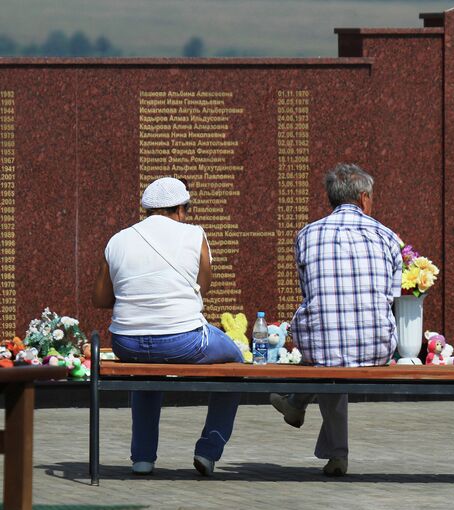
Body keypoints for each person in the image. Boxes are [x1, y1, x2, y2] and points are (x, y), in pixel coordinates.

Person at [92, 177, 243, 477]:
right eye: (186, 209)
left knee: (148, 368)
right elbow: (204, 286)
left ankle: (143, 458)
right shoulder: (194, 234)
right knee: (235, 362)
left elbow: (100, 298)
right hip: (183, 338)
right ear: (179, 209)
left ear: (147, 209)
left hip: (127, 342)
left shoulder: (118, 239)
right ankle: (208, 450)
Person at [270, 163, 402, 477]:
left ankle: (298, 406)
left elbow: (312, 292)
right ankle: (330, 446)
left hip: (321, 344)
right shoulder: (387, 237)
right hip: (377, 346)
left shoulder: (307, 234)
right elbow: (391, 297)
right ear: (365, 199)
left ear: (331, 198)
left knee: (330, 345)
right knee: (337, 347)